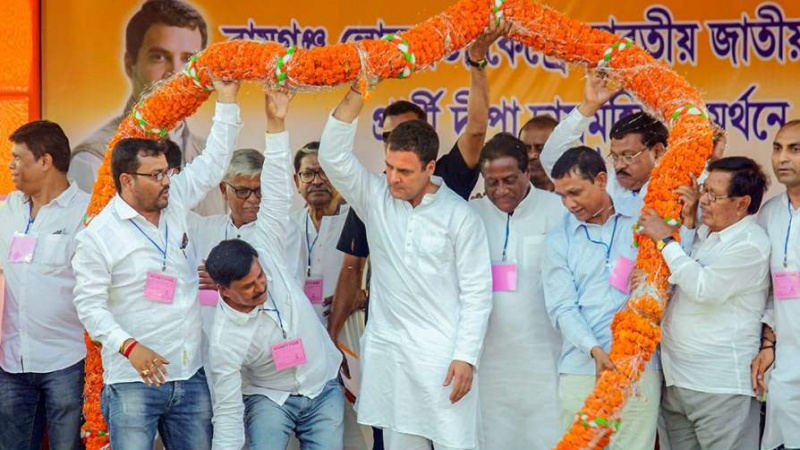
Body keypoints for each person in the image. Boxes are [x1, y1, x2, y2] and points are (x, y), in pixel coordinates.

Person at [318, 86, 493, 450]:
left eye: (404, 171)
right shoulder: (375, 198)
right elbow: (331, 154)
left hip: (443, 362)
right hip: (392, 362)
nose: (393, 178)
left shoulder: (459, 217)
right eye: (389, 168)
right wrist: (358, 90)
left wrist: (466, 357)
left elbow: (478, 294)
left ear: (430, 168)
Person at [72, 79, 241, 449]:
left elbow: (213, 163)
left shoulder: (175, 198)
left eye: (166, 171)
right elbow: (89, 307)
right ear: (127, 180)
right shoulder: (98, 236)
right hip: (134, 381)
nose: (167, 182)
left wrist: (227, 100)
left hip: (189, 375)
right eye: (156, 175)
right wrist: (130, 347)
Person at [206, 91, 343, 450]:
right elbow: (228, 414)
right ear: (224, 291)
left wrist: (276, 122)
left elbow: (279, 190)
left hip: (322, 384)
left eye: (261, 277)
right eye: (249, 287)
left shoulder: (265, 244)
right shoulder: (224, 342)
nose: (261, 287)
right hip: (269, 397)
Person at [638, 156, 770, 450]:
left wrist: (665, 240)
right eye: (705, 190)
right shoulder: (705, 232)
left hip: (719, 386)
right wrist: (686, 225)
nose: (704, 200)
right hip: (677, 380)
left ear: (742, 203)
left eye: (714, 195)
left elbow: (703, 288)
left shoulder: (750, 245)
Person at [543, 146, 661, 450]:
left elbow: (668, 277)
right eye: (562, 196)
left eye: (575, 193)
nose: (569, 204)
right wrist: (594, 350)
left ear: (600, 180)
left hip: (637, 368)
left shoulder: (643, 221)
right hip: (581, 369)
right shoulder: (558, 239)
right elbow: (562, 308)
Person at [69, 0, 224, 215]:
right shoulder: (93, 159)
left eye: (188, 60)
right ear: (129, 63)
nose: (175, 73)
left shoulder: (215, 160)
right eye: (159, 57)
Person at [470, 133, 564, 449]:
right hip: (490, 367)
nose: (501, 190)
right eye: (491, 182)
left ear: (527, 171)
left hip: (546, 362)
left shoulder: (558, 211)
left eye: (509, 180)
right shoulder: (471, 216)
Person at [0, 121, 89, 450]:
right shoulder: (8, 209)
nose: (11, 166)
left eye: (18, 157)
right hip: (12, 361)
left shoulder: (86, 214)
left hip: (67, 360)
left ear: (45, 161)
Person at [540, 72, 667, 206]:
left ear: (657, 152)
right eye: (615, 157)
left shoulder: (677, 190)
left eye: (628, 156)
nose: (619, 165)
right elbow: (552, 158)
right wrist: (589, 106)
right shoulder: (605, 186)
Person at [752, 119, 800, 450]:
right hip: (787, 360)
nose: (782, 158)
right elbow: (770, 290)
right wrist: (768, 343)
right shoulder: (770, 213)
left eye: (795, 149)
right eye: (778, 148)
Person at [290, 141, 349, 325]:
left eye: (325, 172)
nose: (317, 181)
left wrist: (360, 296)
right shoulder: (288, 226)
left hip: (345, 330)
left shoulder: (357, 223)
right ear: (297, 181)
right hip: (300, 329)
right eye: (308, 174)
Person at [518, 115, 557, 191]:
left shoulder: (575, 195)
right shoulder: (509, 195)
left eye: (540, 148)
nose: (532, 156)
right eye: (526, 149)